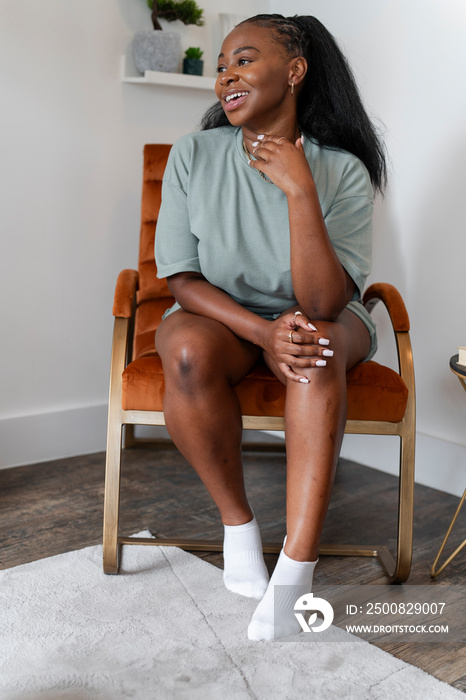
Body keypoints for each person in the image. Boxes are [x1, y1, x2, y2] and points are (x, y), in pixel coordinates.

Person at [154, 14, 386, 640]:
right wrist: (261, 334)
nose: (225, 75)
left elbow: (324, 300)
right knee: (184, 353)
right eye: (221, 65)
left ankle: (295, 573)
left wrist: (300, 189)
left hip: (324, 318)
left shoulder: (343, 172)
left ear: (294, 71)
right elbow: (182, 281)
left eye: (243, 59)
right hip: (224, 316)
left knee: (315, 342)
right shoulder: (193, 155)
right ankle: (238, 529)